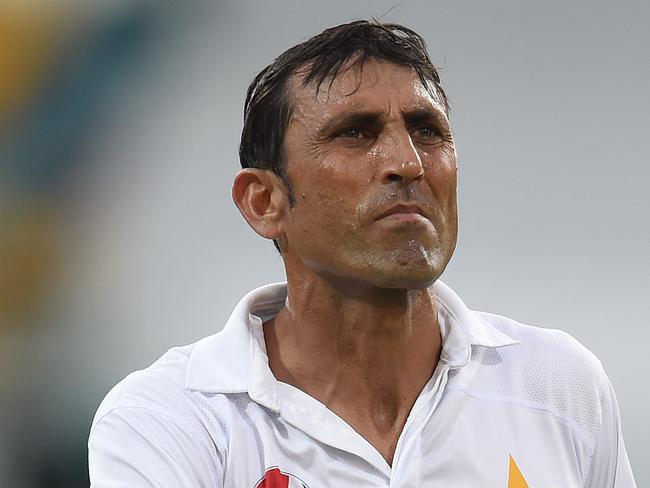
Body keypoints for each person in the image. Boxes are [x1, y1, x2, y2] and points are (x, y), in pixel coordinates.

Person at [88, 20, 636, 487]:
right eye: (355, 133)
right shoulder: (168, 420)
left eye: (427, 131)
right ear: (264, 202)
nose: (408, 162)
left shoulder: (557, 386)